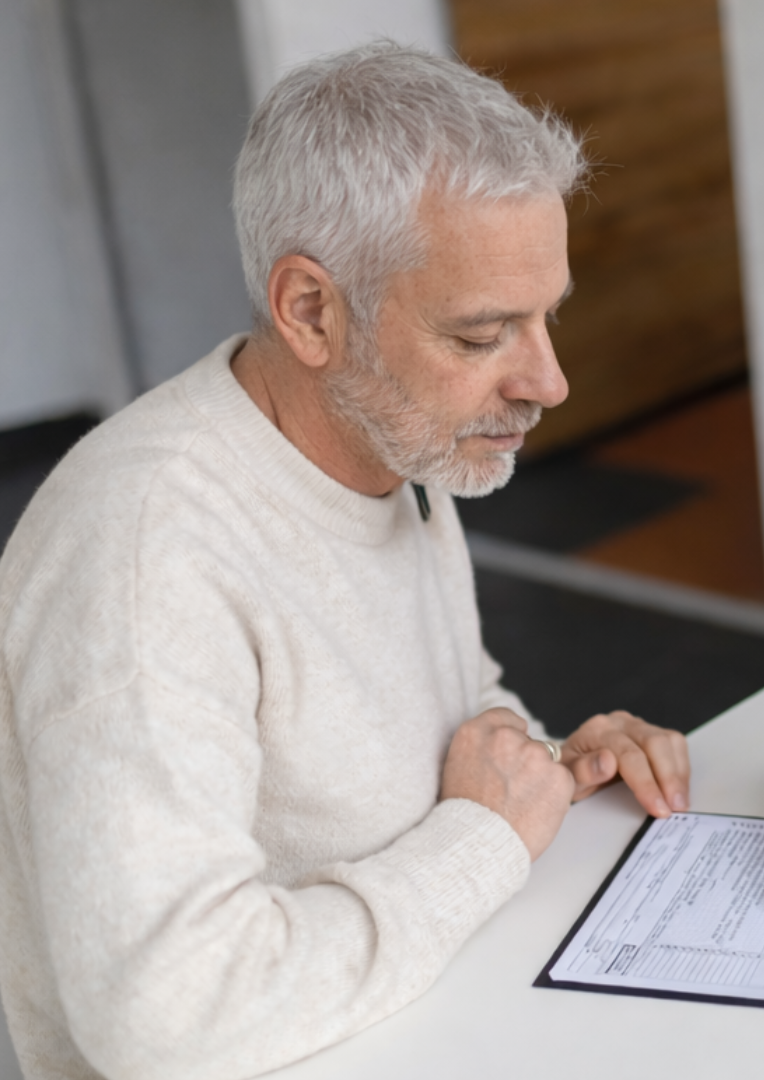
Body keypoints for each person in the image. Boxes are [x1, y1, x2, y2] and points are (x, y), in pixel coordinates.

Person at [0, 46, 690, 1079]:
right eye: (482, 335)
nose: (549, 380)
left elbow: (417, 727)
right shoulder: (144, 559)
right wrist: (484, 837)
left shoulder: (392, 445)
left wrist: (542, 761)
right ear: (312, 311)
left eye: (547, 315)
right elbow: (166, 1019)